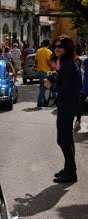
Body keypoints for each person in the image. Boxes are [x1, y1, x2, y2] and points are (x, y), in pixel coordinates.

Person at [44, 35, 82, 183]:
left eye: (60, 46)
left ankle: (71, 173)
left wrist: (51, 86)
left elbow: (65, 88)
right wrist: (55, 75)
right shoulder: (67, 62)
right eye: (55, 46)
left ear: (66, 48)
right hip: (70, 104)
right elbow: (67, 81)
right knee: (67, 138)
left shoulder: (66, 63)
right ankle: (68, 169)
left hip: (68, 104)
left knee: (63, 139)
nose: (57, 49)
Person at [35, 39, 52, 107]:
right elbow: (49, 61)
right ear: (48, 44)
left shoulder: (38, 51)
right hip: (45, 71)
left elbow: (36, 61)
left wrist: (37, 68)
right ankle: (39, 102)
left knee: (42, 86)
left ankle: (44, 101)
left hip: (39, 71)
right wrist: (53, 68)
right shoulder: (48, 51)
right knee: (43, 87)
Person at [74, 57, 88, 131]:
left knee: (81, 102)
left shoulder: (86, 61)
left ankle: (78, 121)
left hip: (85, 86)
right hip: (85, 86)